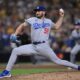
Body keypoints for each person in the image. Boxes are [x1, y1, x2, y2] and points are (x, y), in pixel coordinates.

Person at [0, 5, 80, 78]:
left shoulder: (48, 21)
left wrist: (61, 17)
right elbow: (22, 25)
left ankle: (77, 67)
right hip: (33, 46)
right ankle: (7, 72)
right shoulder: (32, 19)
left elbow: (56, 26)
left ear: (44, 12)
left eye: (39, 11)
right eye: (36, 11)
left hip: (44, 46)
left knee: (58, 61)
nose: (37, 12)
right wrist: (15, 34)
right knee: (15, 50)